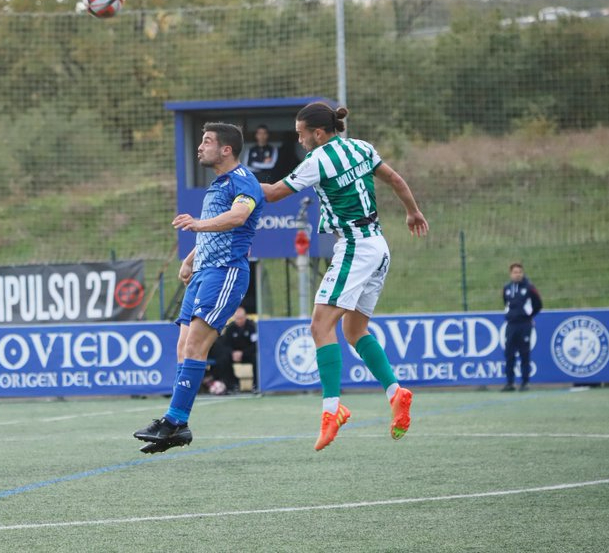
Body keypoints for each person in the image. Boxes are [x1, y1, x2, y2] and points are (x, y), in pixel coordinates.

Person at [261, 102, 429, 451]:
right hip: (378, 245)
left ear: (318, 133)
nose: (300, 140)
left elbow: (275, 193)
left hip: (354, 246)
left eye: (301, 134)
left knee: (319, 327)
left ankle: (331, 411)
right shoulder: (362, 147)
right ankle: (395, 392)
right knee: (354, 331)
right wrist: (412, 212)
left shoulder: (318, 160)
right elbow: (395, 179)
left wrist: (237, 179)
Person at [134, 123, 265, 454]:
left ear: (226, 150)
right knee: (182, 347)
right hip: (204, 272)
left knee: (194, 345)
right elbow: (214, 231)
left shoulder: (243, 181)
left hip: (225, 273)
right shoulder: (218, 183)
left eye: (207, 142)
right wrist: (191, 257)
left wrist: (196, 224)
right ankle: (178, 425)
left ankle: (174, 420)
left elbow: (237, 217)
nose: (200, 146)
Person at [502, 263, 543, 392]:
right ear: (510, 274)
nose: (517, 274)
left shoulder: (529, 287)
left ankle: (525, 383)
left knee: (524, 353)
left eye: (520, 272)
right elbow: (506, 302)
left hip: (524, 325)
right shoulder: (507, 288)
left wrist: (529, 316)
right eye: (515, 272)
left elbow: (538, 304)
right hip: (511, 325)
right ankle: (510, 383)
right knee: (509, 354)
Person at [209, 306, 259, 393]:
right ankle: (232, 385)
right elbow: (225, 345)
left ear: (245, 317)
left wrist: (243, 353)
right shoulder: (230, 328)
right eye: (237, 318)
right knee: (223, 359)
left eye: (241, 318)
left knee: (257, 359)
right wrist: (232, 353)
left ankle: (256, 385)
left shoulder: (252, 327)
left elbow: (255, 345)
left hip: (248, 354)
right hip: (234, 355)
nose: (239, 321)